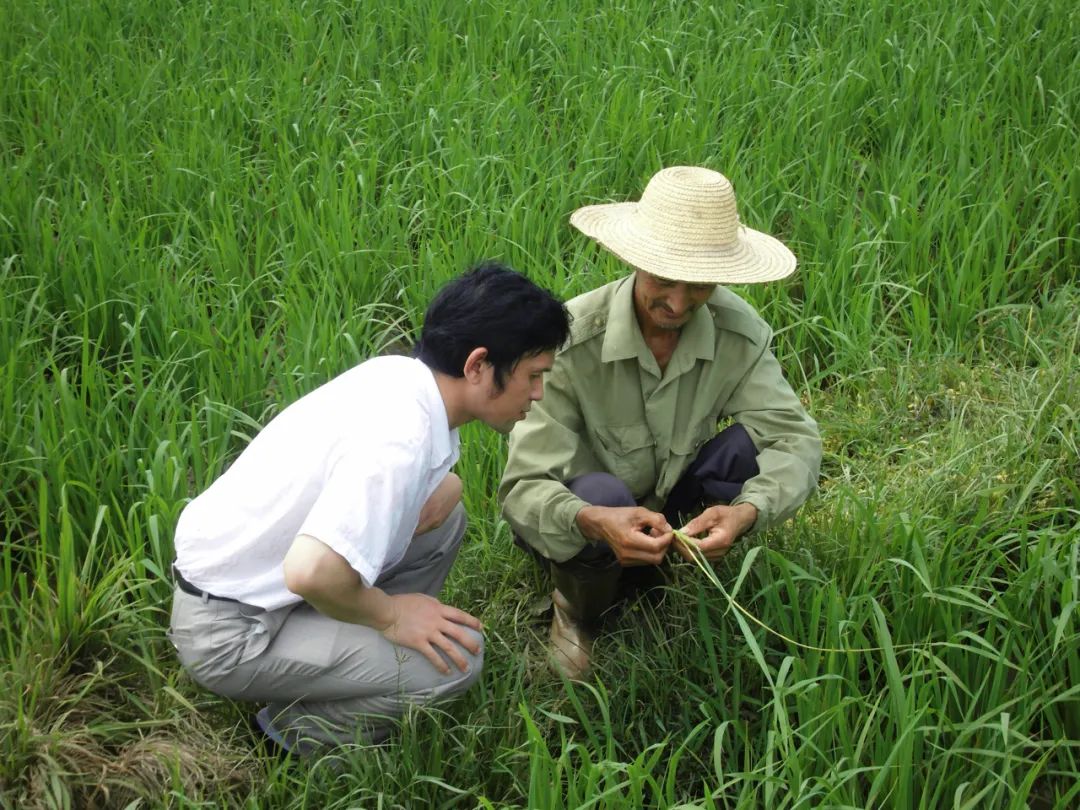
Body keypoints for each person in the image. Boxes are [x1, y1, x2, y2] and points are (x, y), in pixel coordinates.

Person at [169, 262, 570, 753]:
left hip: (245, 586)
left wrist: (451, 486)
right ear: (477, 365)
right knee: (458, 663)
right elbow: (310, 571)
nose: (538, 394)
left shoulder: (402, 379)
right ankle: (290, 738)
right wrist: (390, 617)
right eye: (533, 375)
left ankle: (357, 653)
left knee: (445, 510)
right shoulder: (398, 439)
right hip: (231, 632)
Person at [498, 167, 822, 679]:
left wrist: (749, 512)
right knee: (602, 492)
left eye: (699, 286)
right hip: (590, 517)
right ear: (634, 261)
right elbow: (522, 488)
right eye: (664, 280)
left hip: (672, 503)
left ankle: (673, 565)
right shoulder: (570, 343)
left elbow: (795, 437)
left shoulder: (736, 333)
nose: (677, 303)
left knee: (746, 448)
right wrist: (593, 520)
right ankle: (576, 608)